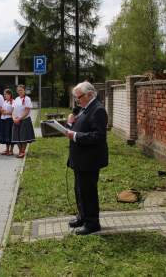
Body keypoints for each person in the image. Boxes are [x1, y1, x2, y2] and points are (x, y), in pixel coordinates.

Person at [65, 81, 108, 235]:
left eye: (79, 97)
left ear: (90, 94)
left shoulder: (98, 110)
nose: (77, 101)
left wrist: (75, 135)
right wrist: (71, 125)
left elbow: (98, 136)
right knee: (79, 190)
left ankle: (92, 223)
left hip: (89, 160)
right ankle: (82, 216)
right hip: (80, 159)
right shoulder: (85, 108)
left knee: (88, 191)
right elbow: (81, 127)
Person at [11, 85, 35, 158]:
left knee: (23, 137)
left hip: (24, 120)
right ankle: (20, 151)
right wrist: (14, 118)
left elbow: (27, 111)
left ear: (24, 90)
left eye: (21, 90)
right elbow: (13, 110)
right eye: (18, 90)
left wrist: (19, 118)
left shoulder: (27, 99)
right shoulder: (16, 99)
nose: (19, 91)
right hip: (16, 120)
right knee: (16, 136)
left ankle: (22, 152)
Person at [0, 89, 14, 156]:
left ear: (9, 94)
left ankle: (11, 150)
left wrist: (6, 112)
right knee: (5, 135)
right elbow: (2, 110)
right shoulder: (4, 101)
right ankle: (7, 149)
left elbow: (14, 112)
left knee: (10, 134)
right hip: (3, 119)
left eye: (6, 94)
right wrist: (2, 111)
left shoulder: (13, 101)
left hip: (9, 119)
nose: (4, 95)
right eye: (4, 94)